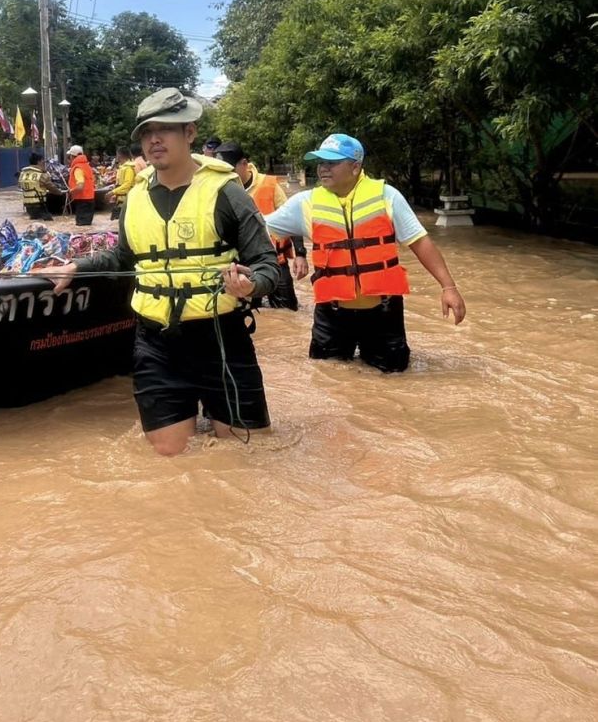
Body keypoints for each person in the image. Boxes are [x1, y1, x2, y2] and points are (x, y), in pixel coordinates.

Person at [40, 89, 279, 456]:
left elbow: (267, 264)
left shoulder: (227, 192)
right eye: (146, 132)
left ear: (190, 133)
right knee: (169, 457)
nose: (154, 139)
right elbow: (124, 257)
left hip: (221, 340)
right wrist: (76, 267)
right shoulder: (134, 196)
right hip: (156, 344)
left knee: (248, 454)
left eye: (165, 129)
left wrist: (251, 285)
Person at [266, 133, 466, 372]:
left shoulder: (387, 196)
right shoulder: (305, 203)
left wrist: (448, 287)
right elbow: (258, 227)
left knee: (393, 378)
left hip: (383, 313)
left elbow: (420, 242)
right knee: (327, 377)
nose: (323, 168)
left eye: (332, 162)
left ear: (355, 167)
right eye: (320, 162)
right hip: (332, 314)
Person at [216, 142, 303, 310]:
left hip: (275, 261)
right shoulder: (217, 190)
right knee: (249, 312)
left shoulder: (269, 185)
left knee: (287, 312)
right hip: (241, 266)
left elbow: (292, 218)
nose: (224, 175)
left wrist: (300, 254)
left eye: (229, 170)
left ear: (244, 164)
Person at [67, 144, 96, 227]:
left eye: (69, 157)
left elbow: (80, 186)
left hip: (82, 201)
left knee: (81, 226)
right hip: (90, 199)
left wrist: (71, 191)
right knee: (86, 226)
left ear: (72, 156)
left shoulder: (78, 168)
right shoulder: (87, 166)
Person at [19, 151, 53, 221]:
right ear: (39, 162)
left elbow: (20, 186)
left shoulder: (22, 174)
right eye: (43, 161)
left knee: (33, 223)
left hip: (28, 208)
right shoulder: (41, 174)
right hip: (40, 206)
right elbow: (51, 187)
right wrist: (59, 193)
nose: (44, 163)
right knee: (48, 223)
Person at [110, 145, 136, 221]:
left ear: (120, 155)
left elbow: (127, 184)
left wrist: (113, 192)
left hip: (127, 198)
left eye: (117, 155)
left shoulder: (128, 168)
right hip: (121, 198)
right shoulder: (122, 167)